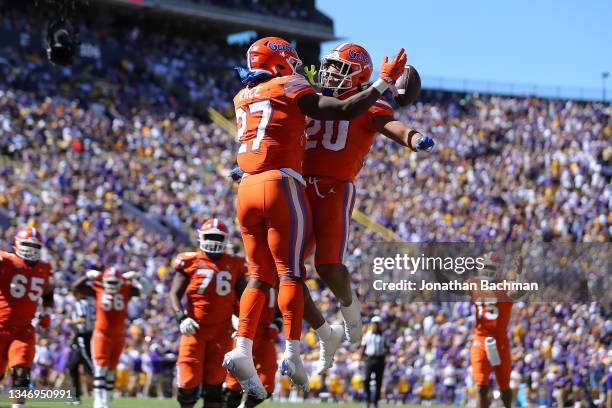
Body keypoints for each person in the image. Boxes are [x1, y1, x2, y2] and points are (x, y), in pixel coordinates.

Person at [223, 35, 407, 398]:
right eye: (291, 60)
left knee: (263, 275)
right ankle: (293, 353)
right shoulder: (292, 86)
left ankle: (245, 345)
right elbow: (338, 110)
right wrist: (384, 83)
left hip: (249, 184)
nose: (302, 67)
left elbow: (271, 135)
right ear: (279, 64)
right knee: (290, 273)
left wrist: (410, 129)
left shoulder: (242, 95)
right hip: (284, 186)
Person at [300, 42, 434, 374]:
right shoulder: (309, 99)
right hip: (297, 187)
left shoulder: (368, 106)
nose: (329, 73)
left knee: (328, 266)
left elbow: (393, 126)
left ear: (359, 76)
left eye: (339, 69)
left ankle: (349, 308)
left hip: (334, 188)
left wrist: (414, 137)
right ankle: (322, 331)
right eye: (329, 66)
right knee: (286, 272)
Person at [169, 218, 247, 408]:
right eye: (210, 236)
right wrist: (181, 316)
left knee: (214, 387)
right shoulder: (190, 261)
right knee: (187, 386)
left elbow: (243, 298)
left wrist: (241, 321)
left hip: (222, 332)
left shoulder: (235, 263)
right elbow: (173, 294)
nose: (213, 240)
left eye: (217, 237)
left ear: (226, 239)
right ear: (201, 237)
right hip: (194, 330)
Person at [72, 267, 150, 408]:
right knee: (101, 368)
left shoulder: (126, 289)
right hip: (101, 334)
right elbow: (76, 288)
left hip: (118, 335)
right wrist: (87, 277)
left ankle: (106, 401)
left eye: (115, 282)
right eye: (109, 282)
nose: (112, 286)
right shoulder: (98, 288)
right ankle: (98, 401)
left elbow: (146, 290)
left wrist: (138, 277)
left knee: (111, 371)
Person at [0, 227, 54, 408]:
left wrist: (46, 312)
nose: (31, 249)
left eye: (34, 245)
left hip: (24, 329)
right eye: (27, 244)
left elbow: (47, 292)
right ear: (17, 244)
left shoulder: (44, 268)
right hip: (1, 325)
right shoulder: (6, 261)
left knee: (22, 369)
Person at [468, 253, 525, 408]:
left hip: (500, 341)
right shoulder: (474, 285)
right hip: (480, 340)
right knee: (481, 386)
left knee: (504, 386)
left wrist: (520, 273)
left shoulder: (505, 287)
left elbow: (519, 292)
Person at [225, 287, 282, 408]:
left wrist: (277, 324)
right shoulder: (247, 276)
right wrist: (236, 324)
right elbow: (231, 302)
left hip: (265, 335)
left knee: (267, 385)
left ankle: (246, 406)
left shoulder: (277, 279)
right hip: (245, 332)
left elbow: (282, 306)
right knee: (234, 384)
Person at [66, 292, 96, 405]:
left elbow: (82, 319)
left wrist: (70, 322)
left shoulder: (81, 303)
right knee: (72, 366)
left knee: (90, 365)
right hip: (82, 337)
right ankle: (75, 396)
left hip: (84, 337)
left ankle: (103, 389)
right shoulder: (89, 302)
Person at [361, 316, 390, 408]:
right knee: (366, 379)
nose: (376, 325)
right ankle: (368, 400)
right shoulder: (368, 335)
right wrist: (362, 358)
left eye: (378, 323)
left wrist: (385, 355)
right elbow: (363, 347)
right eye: (375, 323)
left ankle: (376, 401)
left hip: (379, 359)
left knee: (378, 381)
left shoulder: (384, 335)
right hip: (369, 359)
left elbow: (388, 347)